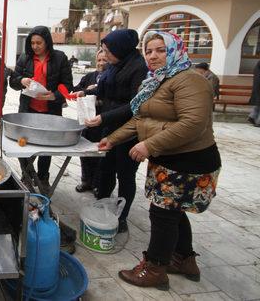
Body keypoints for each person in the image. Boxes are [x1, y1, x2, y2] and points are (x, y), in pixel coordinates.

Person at [99, 31, 221, 290]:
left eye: (160, 50)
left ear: (175, 50)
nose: (153, 56)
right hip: (169, 158)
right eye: (148, 51)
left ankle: (155, 268)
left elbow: (194, 123)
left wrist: (149, 144)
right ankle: (184, 259)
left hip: (190, 160)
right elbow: (140, 119)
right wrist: (113, 139)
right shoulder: (157, 81)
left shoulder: (190, 80)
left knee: (163, 214)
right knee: (173, 213)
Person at [83, 29, 148, 233]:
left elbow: (134, 105)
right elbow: (103, 88)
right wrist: (84, 92)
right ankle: (102, 206)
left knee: (125, 174)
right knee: (105, 169)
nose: (106, 55)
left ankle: (121, 216)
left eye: (108, 51)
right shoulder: (114, 65)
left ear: (121, 48)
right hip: (109, 128)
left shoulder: (139, 68)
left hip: (129, 130)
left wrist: (104, 117)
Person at [9, 26, 73, 184]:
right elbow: (13, 81)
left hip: (50, 111)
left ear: (47, 42)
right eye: (32, 43)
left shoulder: (59, 58)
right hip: (28, 110)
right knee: (23, 144)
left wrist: (54, 96)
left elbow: (67, 85)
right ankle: (27, 174)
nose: (35, 46)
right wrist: (21, 80)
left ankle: (43, 177)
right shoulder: (25, 58)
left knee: (45, 147)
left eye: (39, 43)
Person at [72, 49, 107, 193]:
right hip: (87, 121)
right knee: (85, 153)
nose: (101, 63)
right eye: (99, 60)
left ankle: (98, 184)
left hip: (103, 122)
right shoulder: (89, 76)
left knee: (100, 155)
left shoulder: (112, 78)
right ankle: (86, 181)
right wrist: (87, 90)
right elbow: (75, 90)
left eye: (104, 60)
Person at [247, 60, 260, 127]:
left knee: (258, 104)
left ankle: (252, 117)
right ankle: (258, 122)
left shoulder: (257, 65)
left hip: (257, 86)